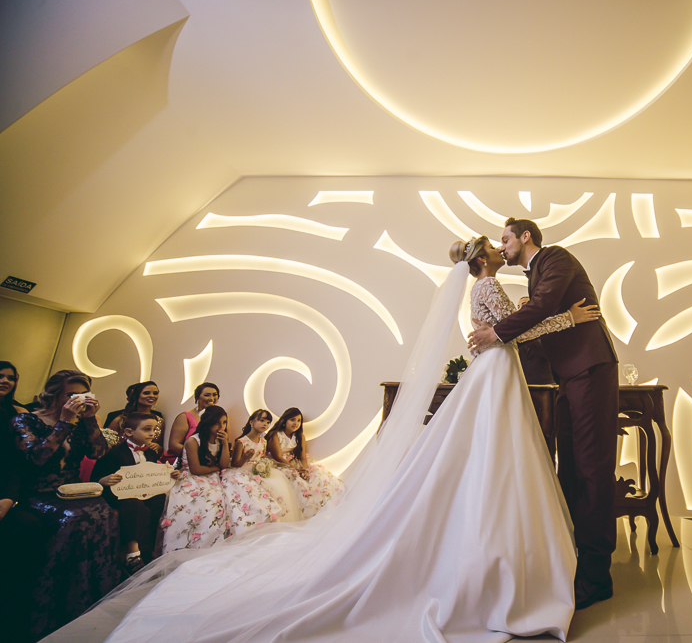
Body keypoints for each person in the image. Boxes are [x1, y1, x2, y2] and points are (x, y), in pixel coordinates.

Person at [62, 244, 585, 642]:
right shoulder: (489, 286)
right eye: (492, 245)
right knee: (496, 456)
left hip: (495, 373)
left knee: (484, 458)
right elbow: (518, 327)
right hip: (497, 373)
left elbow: (513, 328)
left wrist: (555, 318)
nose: (499, 246)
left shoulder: (481, 288)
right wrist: (567, 318)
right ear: (483, 258)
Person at [468, 217, 619, 610]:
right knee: (569, 469)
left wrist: (498, 333)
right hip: (567, 378)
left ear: (525, 237)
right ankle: (572, 564)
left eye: (505, 239)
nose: (502, 246)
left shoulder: (554, 258)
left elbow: (544, 307)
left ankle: (597, 577)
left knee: (592, 469)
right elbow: (542, 317)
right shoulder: (532, 279)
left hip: (590, 369)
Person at [9, 369, 121, 638]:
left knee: (104, 513)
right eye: (71, 394)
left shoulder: (82, 422)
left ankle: (91, 599)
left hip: (73, 490)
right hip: (39, 491)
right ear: (54, 393)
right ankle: (56, 600)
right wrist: (64, 422)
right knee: (74, 518)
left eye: (82, 394)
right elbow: (37, 459)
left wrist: (90, 419)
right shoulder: (25, 420)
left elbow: (97, 451)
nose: (77, 399)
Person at [90, 412, 181, 573]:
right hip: (121, 495)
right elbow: (95, 479)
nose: (153, 433)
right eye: (147, 429)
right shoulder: (113, 453)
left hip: (147, 493)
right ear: (128, 432)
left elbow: (154, 475)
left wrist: (170, 475)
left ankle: (156, 546)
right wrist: (103, 480)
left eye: (154, 429)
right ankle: (133, 552)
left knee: (161, 500)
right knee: (133, 505)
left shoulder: (151, 453)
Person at [0, 361, 46, 642]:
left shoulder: (16, 414)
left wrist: (7, 498)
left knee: (27, 524)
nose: (4, 381)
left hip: (6, 493)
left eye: (10, 378)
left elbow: (11, 464)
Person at [160, 406, 231, 553]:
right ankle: (195, 543)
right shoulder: (193, 441)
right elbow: (196, 469)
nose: (221, 427)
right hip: (192, 477)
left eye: (224, 423)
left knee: (228, 497)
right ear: (207, 422)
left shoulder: (219, 440)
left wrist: (225, 444)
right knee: (205, 501)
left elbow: (224, 464)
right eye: (217, 423)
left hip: (212, 475)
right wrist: (217, 468)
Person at [265, 407, 344, 518]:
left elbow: (302, 457)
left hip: (295, 463)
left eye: (298, 421)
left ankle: (323, 511)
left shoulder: (300, 436)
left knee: (317, 477)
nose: (296, 423)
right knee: (298, 482)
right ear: (285, 420)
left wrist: (304, 470)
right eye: (292, 420)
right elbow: (277, 456)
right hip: (280, 464)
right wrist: (295, 469)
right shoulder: (276, 435)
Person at [227, 409, 300, 527]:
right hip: (243, 471)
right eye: (261, 420)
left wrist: (265, 467)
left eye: (267, 422)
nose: (265, 424)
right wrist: (245, 457)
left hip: (258, 471)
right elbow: (235, 464)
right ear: (251, 422)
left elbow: (262, 459)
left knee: (276, 487)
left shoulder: (263, 441)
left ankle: (274, 520)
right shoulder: (241, 442)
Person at [165, 382, 219, 466]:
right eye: (207, 395)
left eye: (215, 394)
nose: (211, 398)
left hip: (211, 462)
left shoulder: (221, 417)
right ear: (197, 397)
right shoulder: (185, 417)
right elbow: (174, 445)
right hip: (184, 462)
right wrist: (198, 456)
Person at [516, 296, 556, 384]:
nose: (520, 308)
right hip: (522, 381)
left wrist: (527, 332)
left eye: (524, 304)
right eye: (518, 306)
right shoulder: (516, 332)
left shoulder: (545, 326)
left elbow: (549, 353)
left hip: (544, 381)